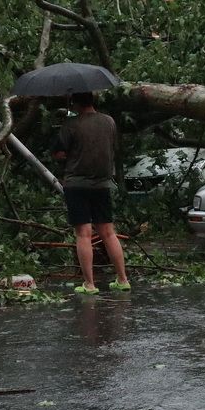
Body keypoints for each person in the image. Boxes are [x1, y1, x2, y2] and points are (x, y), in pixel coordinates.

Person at [53, 91, 130, 295]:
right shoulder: (109, 122)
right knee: (108, 232)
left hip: (77, 184)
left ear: (75, 103)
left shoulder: (71, 125)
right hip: (102, 184)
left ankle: (89, 284)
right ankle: (122, 279)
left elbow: (59, 153)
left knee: (83, 233)